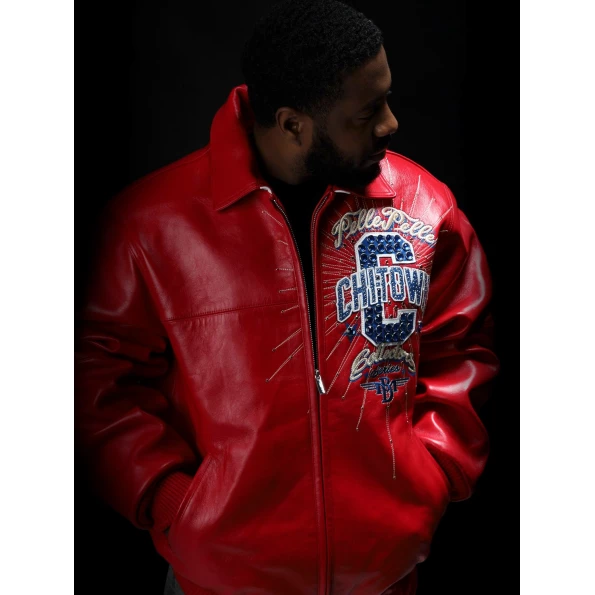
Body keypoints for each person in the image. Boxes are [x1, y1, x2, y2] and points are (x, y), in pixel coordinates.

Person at [74, 0, 499, 594]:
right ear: (293, 124)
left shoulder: (426, 209)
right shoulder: (149, 226)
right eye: (367, 112)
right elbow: (96, 379)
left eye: (388, 99)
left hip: (383, 574)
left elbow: (462, 350)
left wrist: (433, 474)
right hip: (219, 581)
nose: (390, 124)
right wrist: (172, 501)